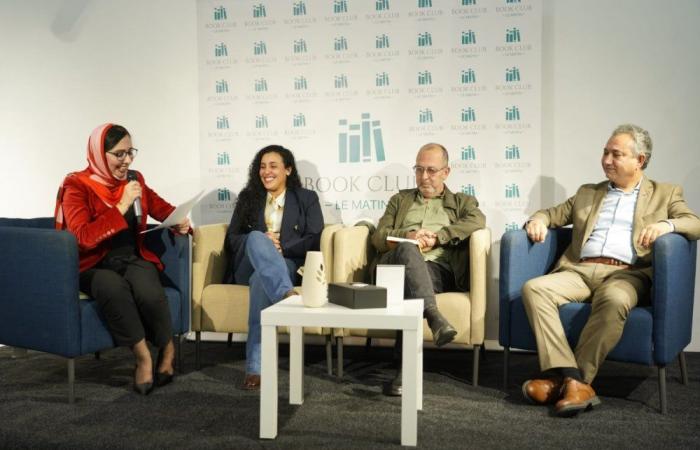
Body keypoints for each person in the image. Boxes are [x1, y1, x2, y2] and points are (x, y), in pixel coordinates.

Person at [521, 124, 700, 417]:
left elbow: (695, 223)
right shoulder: (588, 192)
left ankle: (568, 382)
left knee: (616, 299)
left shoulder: (664, 194)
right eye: (605, 152)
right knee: (534, 288)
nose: (606, 160)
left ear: (639, 160)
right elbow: (551, 214)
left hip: (626, 273)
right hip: (579, 270)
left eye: (616, 154)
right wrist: (538, 220)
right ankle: (571, 378)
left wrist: (666, 225)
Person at [55, 123, 190, 395]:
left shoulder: (134, 179)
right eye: (119, 154)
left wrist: (179, 222)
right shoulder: (77, 185)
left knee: (149, 289)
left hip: (128, 257)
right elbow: (81, 237)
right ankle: (142, 357)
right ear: (99, 154)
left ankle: (168, 349)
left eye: (131, 152)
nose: (127, 160)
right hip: (91, 263)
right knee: (111, 287)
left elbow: (161, 207)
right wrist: (121, 206)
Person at [371, 143, 486, 396]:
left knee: (411, 285)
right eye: (419, 169)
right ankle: (433, 316)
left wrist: (439, 237)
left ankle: (405, 367)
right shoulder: (399, 200)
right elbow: (379, 237)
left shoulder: (461, 202)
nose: (424, 177)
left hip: (437, 271)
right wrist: (408, 236)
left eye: (431, 171)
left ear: (446, 172)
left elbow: (478, 220)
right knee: (408, 250)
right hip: (394, 265)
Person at [224, 145, 323, 390]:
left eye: (273, 166)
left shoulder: (306, 198)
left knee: (260, 281)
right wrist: (261, 241)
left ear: (288, 170)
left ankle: (255, 367)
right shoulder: (248, 198)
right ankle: (286, 295)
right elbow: (233, 238)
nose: (266, 172)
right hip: (249, 262)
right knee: (257, 238)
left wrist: (282, 248)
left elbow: (315, 236)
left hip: (286, 262)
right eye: (262, 166)